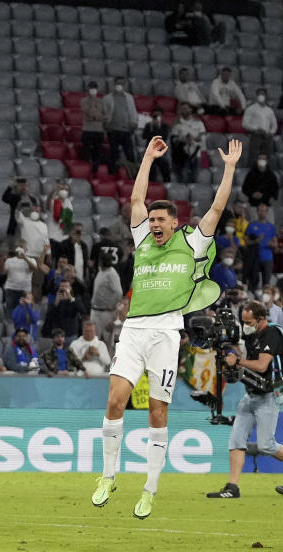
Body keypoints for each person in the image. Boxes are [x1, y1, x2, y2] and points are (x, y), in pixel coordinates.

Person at [92, 137, 241, 519]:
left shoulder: (192, 244)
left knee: (157, 410)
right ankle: (108, 476)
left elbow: (218, 207)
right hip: (134, 331)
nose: (153, 224)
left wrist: (228, 169)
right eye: (152, 220)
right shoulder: (142, 241)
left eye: (161, 220)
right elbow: (136, 200)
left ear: (175, 224)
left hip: (165, 335)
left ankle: (150, 489)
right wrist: (145, 158)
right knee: (114, 401)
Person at [207, 302, 283, 499]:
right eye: (243, 321)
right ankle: (232, 488)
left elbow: (261, 364)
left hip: (269, 395)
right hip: (251, 394)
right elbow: (236, 350)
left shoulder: (271, 333)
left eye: (249, 322)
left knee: (266, 445)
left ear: (261, 319)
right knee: (236, 440)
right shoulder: (253, 334)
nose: (245, 325)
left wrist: (237, 361)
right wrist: (229, 351)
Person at [103, 77, 138, 172]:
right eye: (118, 83)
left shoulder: (129, 98)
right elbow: (104, 113)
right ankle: (113, 175)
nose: (119, 85)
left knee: (130, 154)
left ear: (124, 85)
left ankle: (133, 175)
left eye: (121, 83)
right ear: (114, 84)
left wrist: (134, 123)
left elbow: (133, 112)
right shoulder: (107, 98)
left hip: (126, 130)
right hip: (113, 129)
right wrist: (106, 126)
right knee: (114, 154)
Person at [90, 254, 123, 346]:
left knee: (107, 342)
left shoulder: (112, 274)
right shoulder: (101, 271)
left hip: (106, 313)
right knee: (93, 341)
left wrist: (112, 306)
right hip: (95, 310)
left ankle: (108, 360)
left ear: (101, 262)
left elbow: (118, 292)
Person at [170, 102, 206, 184]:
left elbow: (203, 136)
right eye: (182, 109)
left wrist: (194, 138)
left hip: (195, 153)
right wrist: (182, 139)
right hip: (181, 154)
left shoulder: (198, 123)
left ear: (190, 109)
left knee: (194, 177)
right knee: (182, 177)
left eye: (186, 108)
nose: (184, 110)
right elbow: (173, 139)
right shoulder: (177, 124)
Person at [242, 88, 277, 167]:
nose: (261, 96)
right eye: (260, 94)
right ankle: (252, 174)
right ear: (257, 96)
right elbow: (245, 123)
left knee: (267, 156)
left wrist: (271, 132)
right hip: (256, 135)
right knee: (253, 156)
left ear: (266, 96)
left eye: (263, 94)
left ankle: (266, 174)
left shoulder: (270, 111)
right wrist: (255, 128)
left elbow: (274, 124)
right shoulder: (250, 109)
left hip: (267, 136)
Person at [2, 240, 36, 314]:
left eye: (21, 246)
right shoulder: (9, 260)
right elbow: (3, 273)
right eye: (18, 246)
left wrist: (25, 258)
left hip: (25, 290)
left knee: (25, 311)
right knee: (10, 310)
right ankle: (9, 325)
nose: (19, 248)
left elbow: (33, 268)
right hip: (10, 289)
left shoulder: (31, 260)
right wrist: (4, 261)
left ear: (26, 249)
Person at [80, 81, 108, 173]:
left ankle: (95, 172)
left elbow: (106, 116)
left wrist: (95, 117)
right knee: (86, 152)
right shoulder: (84, 100)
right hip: (87, 130)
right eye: (91, 88)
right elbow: (88, 112)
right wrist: (98, 116)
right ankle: (85, 171)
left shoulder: (101, 101)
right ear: (88, 89)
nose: (93, 90)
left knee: (98, 153)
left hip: (99, 131)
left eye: (94, 88)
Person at [248, 204, 275, 289]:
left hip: (267, 258)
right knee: (254, 282)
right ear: (257, 212)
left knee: (266, 284)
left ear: (267, 212)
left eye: (264, 210)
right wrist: (256, 241)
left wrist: (271, 244)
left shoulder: (271, 227)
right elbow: (246, 242)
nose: (262, 212)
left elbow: (275, 243)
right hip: (254, 257)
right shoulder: (252, 226)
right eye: (260, 210)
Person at [142, 106, 171, 182]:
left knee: (165, 168)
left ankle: (167, 185)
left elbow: (164, 137)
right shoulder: (148, 126)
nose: (157, 117)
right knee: (151, 170)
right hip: (150, 152)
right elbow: (144, 136)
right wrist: (152, 127)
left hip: (161, 152)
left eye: (159, 115)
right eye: (155, 116)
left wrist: (158, 127)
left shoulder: (164, 126)